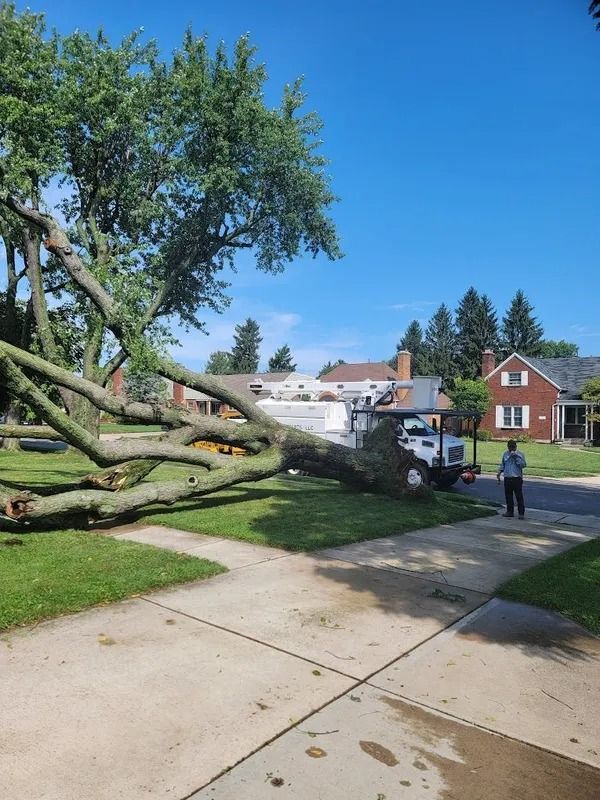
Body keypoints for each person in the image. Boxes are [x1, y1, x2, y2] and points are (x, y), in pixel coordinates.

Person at [496, 440, 527, 519]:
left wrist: (516, 457)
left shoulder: (520, 454)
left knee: (519, 496)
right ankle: (510, 512)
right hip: (507, 477)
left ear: (516, 446)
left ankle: (521, 513)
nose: (512, 448)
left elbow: (523, 465)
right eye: (510, 447)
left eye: (513, 447)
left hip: (517, 478)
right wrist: (499, 472)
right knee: (508, 496)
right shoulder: (505, 454)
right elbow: (503, 464)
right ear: (508, 446)